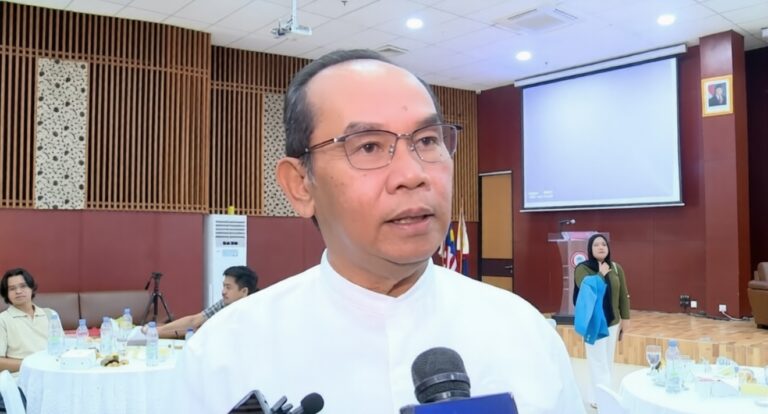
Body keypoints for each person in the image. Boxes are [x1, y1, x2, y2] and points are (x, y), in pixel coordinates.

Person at [174, 49, 585, 413]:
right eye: (368, 146)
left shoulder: (523, 331)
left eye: (426, 140)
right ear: (300, 186)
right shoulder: (225, 352)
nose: (412, 174)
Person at [573, 233, 630, 408]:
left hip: (612, 322)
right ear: (590, 248)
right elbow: (586, 289)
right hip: (594, 322)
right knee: (598, 363)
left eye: (603, 244)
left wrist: (626, 319)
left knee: (606, 361)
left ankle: (595, 397)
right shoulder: (582, 268)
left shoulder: (616, 267)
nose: (600, 247)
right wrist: (600, 274)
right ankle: (606, 400)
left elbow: (623, 295)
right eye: (596, 244)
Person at [144, 266, 257, 339]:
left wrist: (157, 332)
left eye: (228, 287)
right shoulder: (225, 303)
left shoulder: (253, 312)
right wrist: (157, 331)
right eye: (223, 286)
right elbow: (195, 320)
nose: (223, 292)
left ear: (244, 291)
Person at [0, 268, 57, 373]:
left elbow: (61, 348)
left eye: (23, 286)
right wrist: (32, 364)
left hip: (53, 373)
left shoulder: (50, 314)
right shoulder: (2, 320)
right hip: (20, 379)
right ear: (6, 294)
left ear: (31, 288)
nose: (18, 291)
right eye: (12, 289)